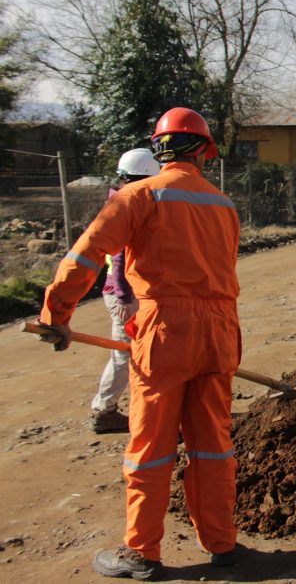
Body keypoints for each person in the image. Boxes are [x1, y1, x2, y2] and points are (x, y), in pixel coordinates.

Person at [37, 107, 242, 580]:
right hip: (220, 330)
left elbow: (86, 253)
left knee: (149, 446)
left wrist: (56, 313)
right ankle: (222, 544)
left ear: (159, 148)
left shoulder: (138, 196)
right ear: (205, 152)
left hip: (166, 330)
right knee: (213, 446)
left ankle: (142, 553)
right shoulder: (224, 204)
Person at [90, 148, 161, 435]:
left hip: (129, 291)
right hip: (123, 294)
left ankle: (139, 407)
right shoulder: (125, 205)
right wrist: (124, 298)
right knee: (124, 353)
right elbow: (118, 257)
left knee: (138, 351)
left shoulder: (123, 201)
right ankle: (104, 411)